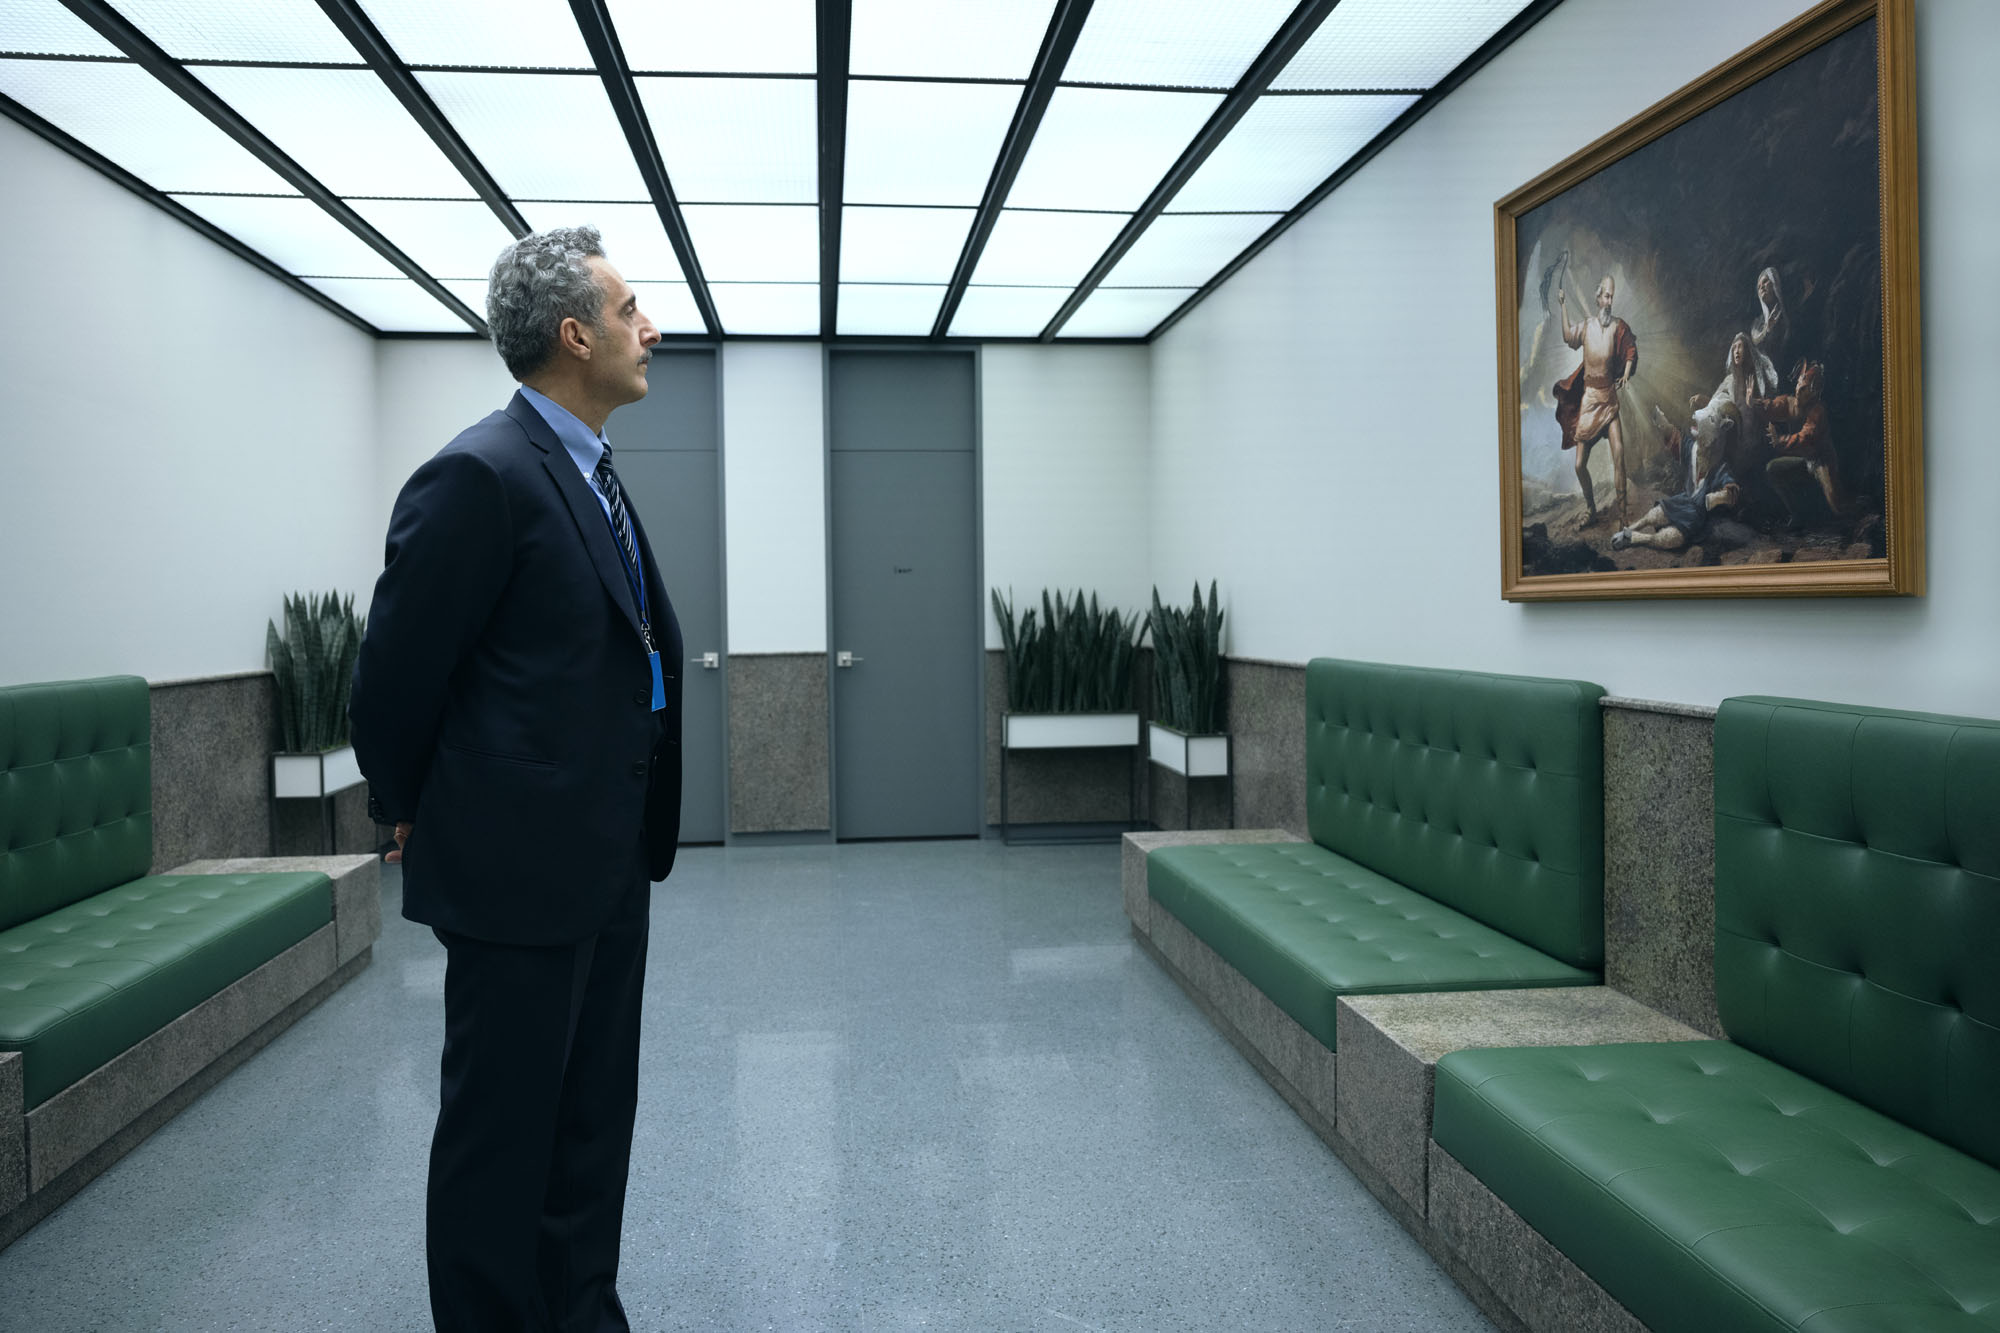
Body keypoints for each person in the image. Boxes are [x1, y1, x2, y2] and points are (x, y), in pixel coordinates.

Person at [349, 225, 680, 1333]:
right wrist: (405, 805)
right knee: (502, 1141)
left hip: (605, 861)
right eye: (632, 309)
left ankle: (582, 1313)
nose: (653, 328)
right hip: (515, 875)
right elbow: (395, 675)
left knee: (592, 1125)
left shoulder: (591, 472)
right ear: (575, 333)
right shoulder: (479, 474)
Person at [1552, 273, 1638, 527]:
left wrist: (1624, 374)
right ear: (1598, 298)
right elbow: (1568, 337)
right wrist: (1563, 305)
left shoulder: (1618, 327)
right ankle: (1591, 510)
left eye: (1612, 296)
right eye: (1606, 296)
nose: (1610, 301)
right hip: (1589, 400)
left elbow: (1631, 348)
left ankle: (1623, 518)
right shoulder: (1587, 326)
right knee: (1579, 465)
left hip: (1609, 400)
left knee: (1619, 453)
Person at [1756, 358, 1842, 525]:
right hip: (1803, 461)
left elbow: (1806, 439)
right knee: (1773, 469)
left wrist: (1779, 440)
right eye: (1798, 386)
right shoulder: (1790, 403)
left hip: (1820, 462)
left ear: (1815, 393)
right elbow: (1773, 407)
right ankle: (1798, 515)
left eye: (1804, 390)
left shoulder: (1817, 411)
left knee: (1837, 506)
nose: (1798, 392)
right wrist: (1756, 403)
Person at [1751, 265, 1788, 371]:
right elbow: (1757, 348)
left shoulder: (1786, 313)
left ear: (1774, 283)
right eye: (1758, 286)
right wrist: (1768, 328)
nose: (1761, 287)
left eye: (1765, 282)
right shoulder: (1757, 324)